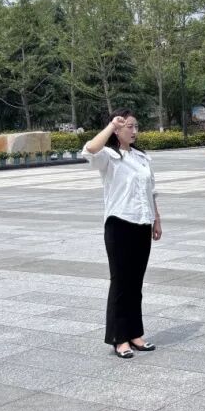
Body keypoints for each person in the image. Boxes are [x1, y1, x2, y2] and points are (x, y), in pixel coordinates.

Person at [82, 110, 162, 359]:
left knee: (136, 283)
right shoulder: (108, 156)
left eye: (136, 126)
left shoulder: (141, 157)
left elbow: (151, 191)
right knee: (120, 283)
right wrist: (110, 126)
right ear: (117, 130)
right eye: (128, 126)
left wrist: (156, 219)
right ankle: (119, 338)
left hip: (141, 224)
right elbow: (89, 150)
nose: (134, 131)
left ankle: (135, 334)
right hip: (119, 224)